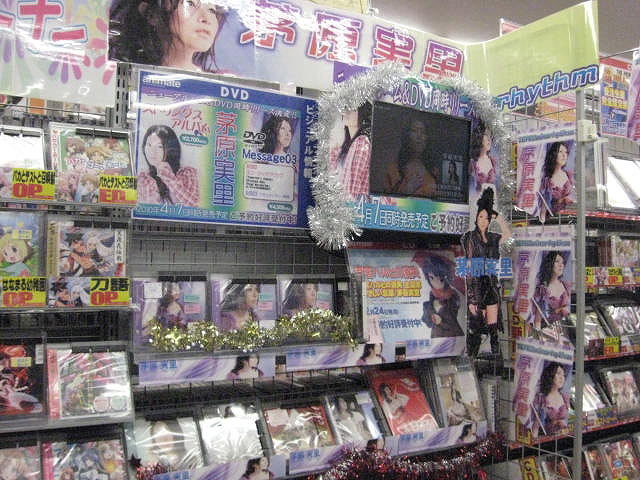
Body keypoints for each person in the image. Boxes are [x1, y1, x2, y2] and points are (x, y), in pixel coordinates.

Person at [109, 0, 227, 72]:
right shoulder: (124, 74)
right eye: (190, 3)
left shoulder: (222, 84)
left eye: (212, 10)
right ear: (151, 14)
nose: (207, 19)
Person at [461, 188, 511, 357]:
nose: (483, 221)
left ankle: (494, 356)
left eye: (487, 218)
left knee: (493, 329)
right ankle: (472, 358)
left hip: (491, 287)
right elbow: (469, 268)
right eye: (481, 217)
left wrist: (497, 216)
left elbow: (507, 234)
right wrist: (472, 298)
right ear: (476, 218)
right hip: (477, 288)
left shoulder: (493, 238)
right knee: (475, 328)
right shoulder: (469, 238)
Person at [138, 125, 199, 206]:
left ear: (170, 149)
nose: (152, 151)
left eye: (160, 146)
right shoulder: (143, 179)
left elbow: (195, 204)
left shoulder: (187, 173)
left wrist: (168, 177)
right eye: (149, 145)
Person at [384, 118, 438, 197]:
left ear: (427, 138)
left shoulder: (434, 170)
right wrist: (407, 190)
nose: (419, 136)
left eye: (423, 132)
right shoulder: (393, 169)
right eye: (414, 131)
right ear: (407, 136)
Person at [329, 103, 372, 199]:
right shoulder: (346, 146)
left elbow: (351, 192)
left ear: (363, 115)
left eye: (353, 110)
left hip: (352, 205)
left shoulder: (361, 142)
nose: (347, 112)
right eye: (346, 108)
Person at [530, 251, 571, 342]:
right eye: (557, 261)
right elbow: (538, 319)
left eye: (562, 262)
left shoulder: (566, 286)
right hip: (550, 333)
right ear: (550, 264)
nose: (561, 265)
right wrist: (539, 337)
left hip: (567, 328)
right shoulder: (543, 290)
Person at [420, 256, 464, 338]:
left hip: (452, 336)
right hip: (436, 336)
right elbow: (428, 322)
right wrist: (431, 316)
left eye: (440, 279)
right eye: (431, 278)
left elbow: (452, 320)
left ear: (445, 277)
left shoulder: (452, 295)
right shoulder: (432, 295)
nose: (436, 282)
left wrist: (440, 321)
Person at [531, 362, 570, 438]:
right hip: (546, 439)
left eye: (563, 375)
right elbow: (536, 424)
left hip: (564, 437)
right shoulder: (541, 398)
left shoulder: (565, 397)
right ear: (550, 375)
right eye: (558, 373)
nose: (562, 378)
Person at [539, 141, 573, 221]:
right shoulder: (546, 180)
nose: (564, 155)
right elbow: (543, 203)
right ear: (553, 154)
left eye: (566, 152)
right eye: (560, 152)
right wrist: (542, 218)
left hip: (571, 215)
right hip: (554, 219)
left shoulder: (569, 174)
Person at [470, 120, 496, 192]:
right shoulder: (472, 163)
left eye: (490, 137)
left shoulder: (493, 161)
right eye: (487, 136)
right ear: (479, 137)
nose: (489, 140)